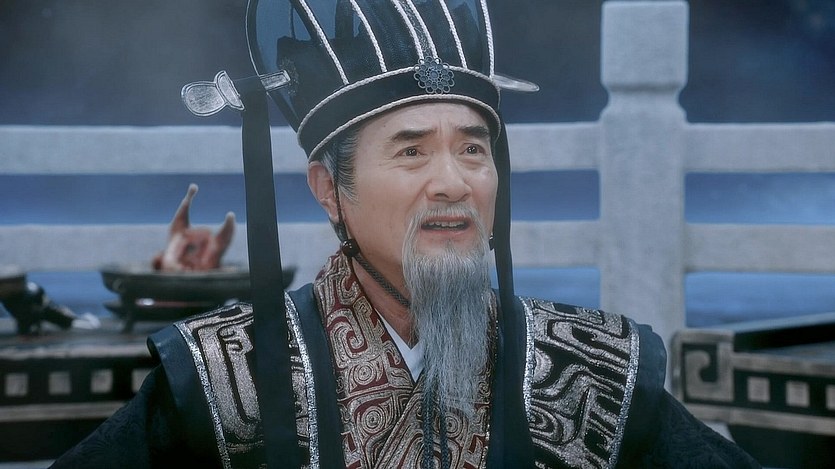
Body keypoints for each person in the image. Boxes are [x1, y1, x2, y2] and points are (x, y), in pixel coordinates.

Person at [52, 0, 760, 467]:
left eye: (473, 148)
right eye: (412, 151)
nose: (453, 181)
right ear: (329, 188)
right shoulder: (226, 379)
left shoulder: (586, 371)